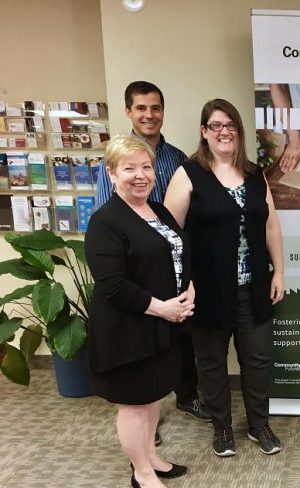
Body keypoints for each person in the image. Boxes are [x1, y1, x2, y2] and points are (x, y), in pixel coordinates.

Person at [164, 98, 285, 457]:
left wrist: (279, 270)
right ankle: (221, 429)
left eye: (230, 125)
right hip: (208, 289)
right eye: (215, 125)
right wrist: (183, 284)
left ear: (239, 131)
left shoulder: (253, 173)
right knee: (212, 362)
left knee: (258, 359)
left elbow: (271, 225)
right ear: (204, 132)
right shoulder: (189, 174)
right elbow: (171, 236)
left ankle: (259, 424)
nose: (224, 132)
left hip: (254, 286)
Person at [95, 81, 211, 439]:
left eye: (155, 108)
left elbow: (183, 221)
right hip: (135, 272)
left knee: (173, 351)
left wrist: (186, 276)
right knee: (139, 371)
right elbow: (107, 222)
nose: (149, 114)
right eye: (141, 108)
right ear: (129, 111)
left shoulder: (177, 158)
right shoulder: (113, 164)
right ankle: (144, 435)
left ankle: (183, 397)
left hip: (169, 264)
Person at [85, 135, 195, 488]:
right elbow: (113, 285)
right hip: (127, 329)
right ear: (112, 172)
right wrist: (164, 309)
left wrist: (189, 288)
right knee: (134, 403)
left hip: (159, 326)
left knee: (153, 397)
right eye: (129, 168)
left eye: (146, 167)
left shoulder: (158, 211)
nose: (140, 175)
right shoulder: (105, 222)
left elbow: (177, 253)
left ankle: (151, 458)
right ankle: (141, 473)